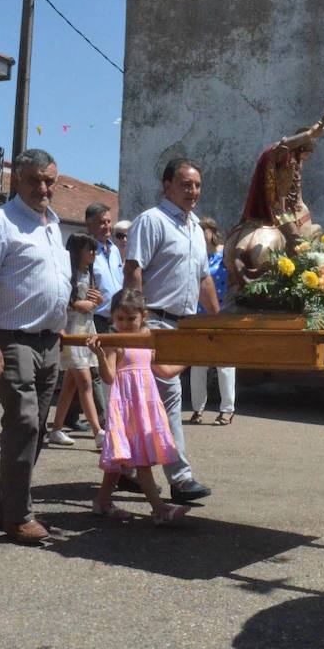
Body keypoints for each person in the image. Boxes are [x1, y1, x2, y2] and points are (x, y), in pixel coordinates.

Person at [0, 148, 72, 545]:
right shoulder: (0, 222)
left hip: (48, 341)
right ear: (17, 181)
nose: (44, 187)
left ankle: (6, 509)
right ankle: (19, 516)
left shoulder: (52, 225)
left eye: (49, 180)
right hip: (13, 338)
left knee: (34, 429)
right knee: (24, 421)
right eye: (35, 180)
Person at [124, 158, 220, 504]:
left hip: (182, 324)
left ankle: (128, 469)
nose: (192, 191)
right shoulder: (152, 221)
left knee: (143, 402)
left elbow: (204, 277)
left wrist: (216, 318)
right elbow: (134, 272)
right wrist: (138, 323)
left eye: (196, 185)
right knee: (168, 397)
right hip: (154, 322)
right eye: (185, 184)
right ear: (167, 186)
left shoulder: (195, 227)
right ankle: (180, 478)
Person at [87, 290, 190, 525]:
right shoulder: (115, 342)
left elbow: (164, 371)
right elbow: (109, 377)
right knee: (139, 457)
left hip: (145, 405)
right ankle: (160, 509)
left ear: (143, 316)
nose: (124, 324)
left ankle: (102, 503)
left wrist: (190, 360)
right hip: (126, 405)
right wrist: (100, 355)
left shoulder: (147, 339)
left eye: (130, 318)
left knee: (120, 458)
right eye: (119, 318)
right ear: (112, 317)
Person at [49, 233, 105, 449]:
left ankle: (56, 429)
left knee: (71, 385)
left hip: (85, 328)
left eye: (94, 249)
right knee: (84, 380)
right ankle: (98, 431)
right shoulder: (66, 274)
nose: (93, 253)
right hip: (72, 331)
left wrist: (96, 301)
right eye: (88, 249)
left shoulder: (87, 273)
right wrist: (75, 305)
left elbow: (91, 303)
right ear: (77, 251)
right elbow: (59, 300)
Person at [188, 216, 236, 426]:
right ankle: (197, 409)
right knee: (198, 366)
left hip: (223, 314)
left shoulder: (225, 254)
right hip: (197, 315)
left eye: (203, 230)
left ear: (212, 232)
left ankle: (227, 409)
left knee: (224, 365)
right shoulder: (196, 256)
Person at [86, 202, 123, 421]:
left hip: (116, 318)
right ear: (89, 224)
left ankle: (69, 417)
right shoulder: (87, 251)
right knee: (97, 370)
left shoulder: (115, 250)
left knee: (114, 367)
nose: (106, 226)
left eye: (108, 221)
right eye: (101, 222)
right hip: (96, 317)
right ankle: (104, 419)